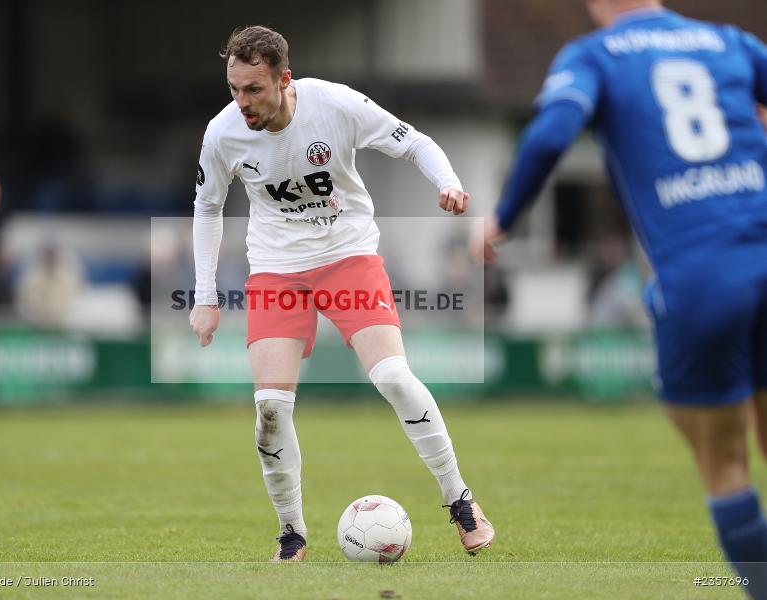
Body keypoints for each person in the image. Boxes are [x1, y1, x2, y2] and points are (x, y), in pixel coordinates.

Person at [472, 1, 767, 593]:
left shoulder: (594, 56)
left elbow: (552, 132)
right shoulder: (728, 41)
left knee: (724, 461)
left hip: (701, 276)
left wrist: (503, 218)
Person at [189, 26, 494, 561]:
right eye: (234, 89)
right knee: (270, 408)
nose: (242, 102)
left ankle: (460, 499)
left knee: (393, 377)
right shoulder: (223, 133)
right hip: (277, 269)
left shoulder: (335, 104)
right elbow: (207, 208)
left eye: (254, 89)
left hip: (347, 256)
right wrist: (205, 296)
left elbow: (414, 142)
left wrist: (446, 181)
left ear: (284, 79)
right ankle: (292, 533)